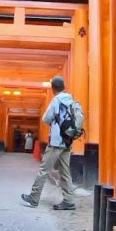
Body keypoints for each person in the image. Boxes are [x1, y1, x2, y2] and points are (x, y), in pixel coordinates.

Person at [21, 76, 77, 211]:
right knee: (65, 171)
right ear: (64, 86)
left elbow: (45, 118)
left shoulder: (56, 100)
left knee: (44, 169)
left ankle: (34, 197)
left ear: (53, 89)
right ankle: (69, 200)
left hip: (57, 141)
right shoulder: (71, 100)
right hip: (68, 140)